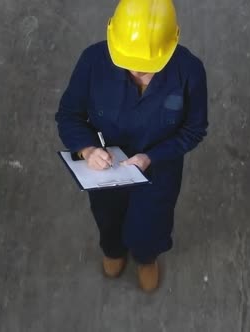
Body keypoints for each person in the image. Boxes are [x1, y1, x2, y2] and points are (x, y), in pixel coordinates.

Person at [55, 0, 208, 292]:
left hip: (158, 170)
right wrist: (88, 150)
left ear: (173, 41)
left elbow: (194, 129)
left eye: (148, 67)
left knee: (153, 221)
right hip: (106, 168)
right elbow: (68, 115)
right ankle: (113, 250)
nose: (138, 72)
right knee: (107, 215)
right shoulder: (93, 62)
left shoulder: (189, 71)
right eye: (130, 64)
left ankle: (145, 257)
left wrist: (152, 156)